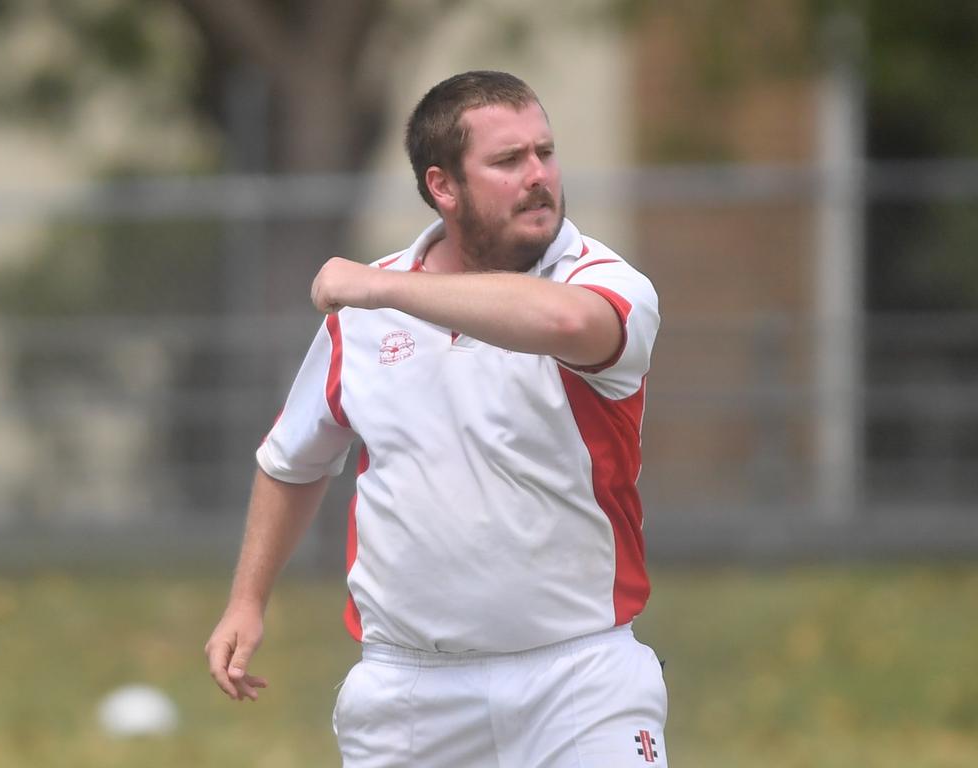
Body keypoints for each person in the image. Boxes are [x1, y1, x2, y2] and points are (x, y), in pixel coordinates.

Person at [205, 70, 666, 767]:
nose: (538, 176)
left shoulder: (601, 283)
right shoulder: (361, 322)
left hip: (582, 680)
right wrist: (247, 601)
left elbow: (567, 322)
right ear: (443, 186)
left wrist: (385, 287)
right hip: (409, 691)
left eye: (545, 151)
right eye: (509, 161)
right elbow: (291, 461)